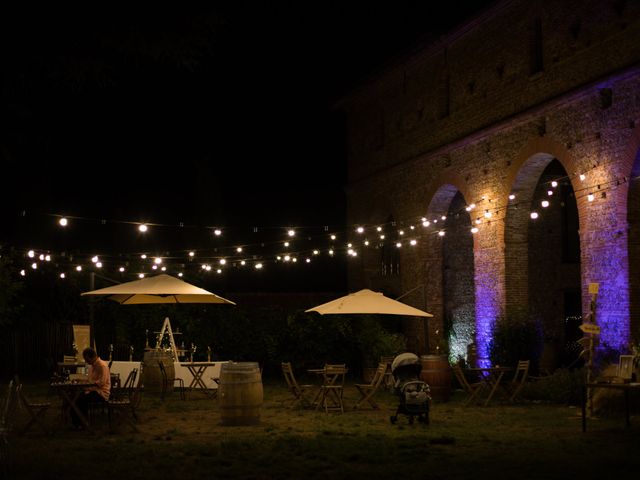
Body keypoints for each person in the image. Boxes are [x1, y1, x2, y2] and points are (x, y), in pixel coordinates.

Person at [71, 347, 111, 429]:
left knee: (80, 399)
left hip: (101, 393)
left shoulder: (102, 366)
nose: (86, 361)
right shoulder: (92, 366)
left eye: (86, 359)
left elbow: (101, 383)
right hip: (93, 391)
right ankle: (79, 422)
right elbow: (90, 380)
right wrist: (80, 381)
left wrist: (86, 386)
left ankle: (82, 423)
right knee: (74, 397)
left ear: (91, 356)